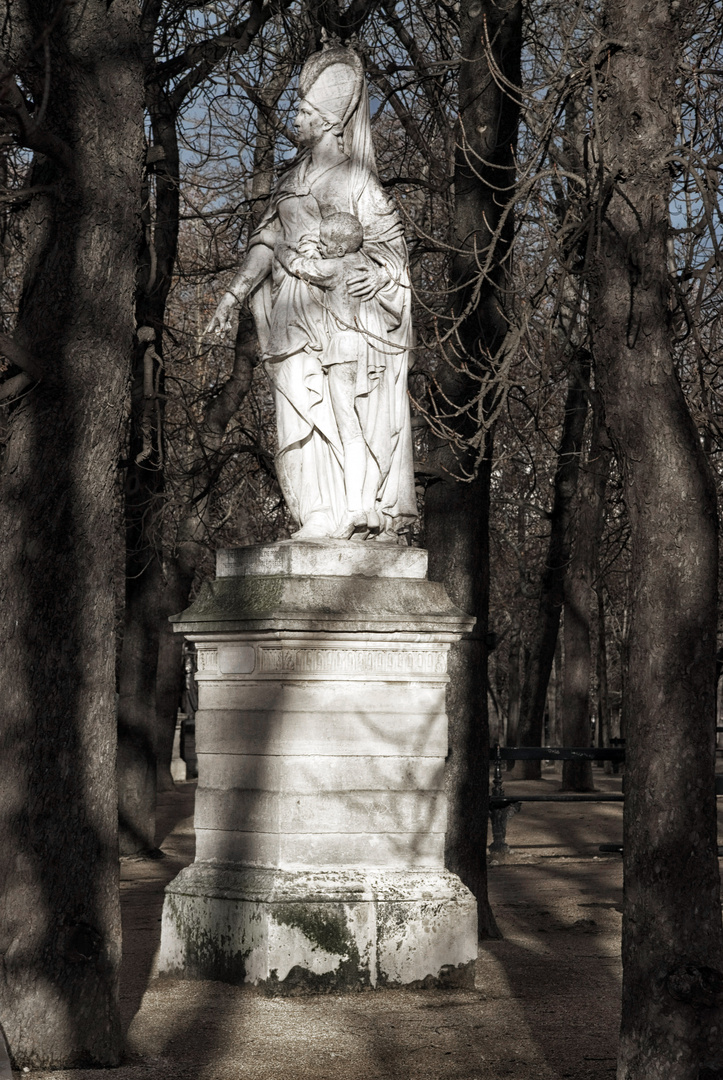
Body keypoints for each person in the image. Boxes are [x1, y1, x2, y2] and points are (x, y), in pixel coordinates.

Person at [207, 41, 416, 542]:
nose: (294, 120)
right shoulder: (288, 180)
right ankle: (315, 512)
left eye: (301, 112)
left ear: (325, 121)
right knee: (297, 413)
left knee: (341, 411)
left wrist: (381, 276)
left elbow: (392, 250)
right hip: (290, 317)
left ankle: (351, 507)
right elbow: (266, 241)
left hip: (342, 320)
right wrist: (232, 297)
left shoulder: (357, 180)